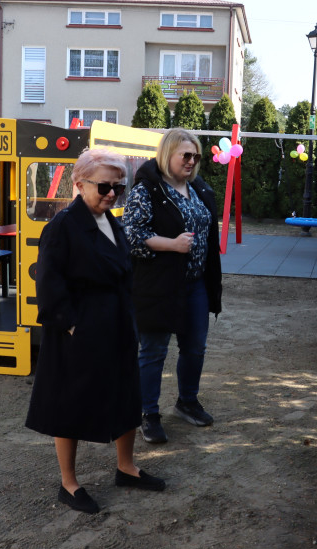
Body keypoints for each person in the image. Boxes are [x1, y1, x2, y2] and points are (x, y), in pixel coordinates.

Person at [26, 147, 165, 514]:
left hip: (117, 324)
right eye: (104, 187)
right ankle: (68, 483)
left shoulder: (110, 221)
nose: (112, 194)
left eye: (118, 188)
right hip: (79, 332)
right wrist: (74, 327)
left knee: (126, 394)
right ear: (79, 184)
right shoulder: (62, 226)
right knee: (69, 404)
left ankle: (126, 468)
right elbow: (49, 285)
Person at [122, 128, 222, 444]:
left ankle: (187, 402)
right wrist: (172, 244)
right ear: (168, 154)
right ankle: (148, 414)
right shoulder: (147, 190)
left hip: (195, 284)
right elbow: (132, 236)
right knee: (154, 351)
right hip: (158, 285)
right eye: (186, 155)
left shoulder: (198, 187)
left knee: (195, 347)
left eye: (196, 156)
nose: (192, 161)